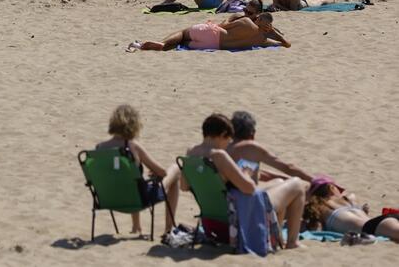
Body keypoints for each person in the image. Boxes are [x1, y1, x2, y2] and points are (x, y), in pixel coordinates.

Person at [183, 114, 305, 249]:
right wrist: (246, 173)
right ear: (222, 134)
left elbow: (183, 186)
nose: (229, 143)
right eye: (228, 139)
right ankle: (292, 242)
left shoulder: (191, 152)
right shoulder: (219, 155)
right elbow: (249, 189)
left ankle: (277, 238)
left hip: (211, 223)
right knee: (297, 185)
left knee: (279, 182)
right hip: (236, 222)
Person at [94, 105, 180, 234]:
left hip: (108, 199)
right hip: (137, 200)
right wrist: (156, 172)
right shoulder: (132, 146)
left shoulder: (99, 148)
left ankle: (136, 226)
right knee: (175, 170)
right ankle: (169, 228)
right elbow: (162, 172)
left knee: (130, 178)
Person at [304, 176, 399, 242]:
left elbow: (316, 229)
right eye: (338, 189)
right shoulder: (351, 198)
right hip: (383, 220)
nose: (340, 192)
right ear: (331, 188)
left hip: (373, 227)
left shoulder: (318, 208)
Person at [133, 12, 290, 51]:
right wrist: (275, 33)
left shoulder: (247, 22)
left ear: (259, 19)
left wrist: (229, 18)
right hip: (214, 45)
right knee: (183, 43)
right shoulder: (261, 40)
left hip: (214, 34)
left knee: (183, 33)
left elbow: (223, 27)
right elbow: (286, 44)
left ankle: (162, 44)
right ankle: (162, 46)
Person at [227, 111, 313, 183]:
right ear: (253, 134)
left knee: (282, 181)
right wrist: (313, 181)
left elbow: (258, 173)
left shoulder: (224, 147)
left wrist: (287, 179)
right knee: (295, 184)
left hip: (227, 195)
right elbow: (288, 168)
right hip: (245, 197)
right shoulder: (251, 147)